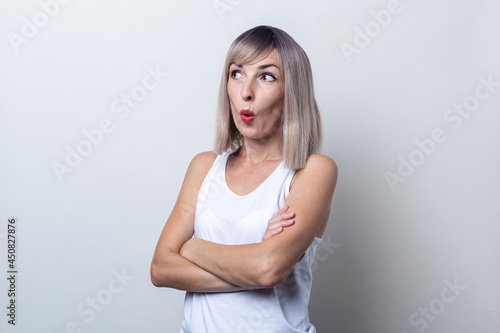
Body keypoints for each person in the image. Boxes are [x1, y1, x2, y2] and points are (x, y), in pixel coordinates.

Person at [151, 25, 338, 332]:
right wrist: (251, 263)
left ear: (293, 91)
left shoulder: (312, 171)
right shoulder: (204, 167)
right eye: (237, 73)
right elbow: (160, 269)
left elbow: (267, 268)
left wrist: (192, 248)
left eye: (266, 76)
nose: (245, 91)